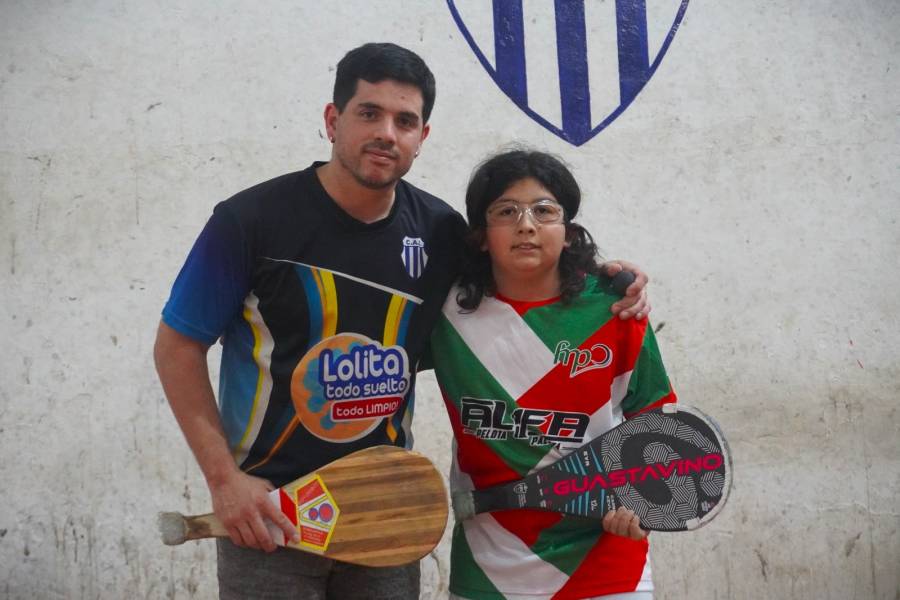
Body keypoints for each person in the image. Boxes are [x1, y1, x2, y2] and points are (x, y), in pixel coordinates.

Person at [154, 43, 650, 600]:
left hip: (388, 513)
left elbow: (519, 269)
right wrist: (225, 480)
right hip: (268, 513)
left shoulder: (441, 232)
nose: (386, 133)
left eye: (405, 121)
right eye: (369, 113)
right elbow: (177, 347)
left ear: (422, 136)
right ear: (333, 120)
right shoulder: (249, 222)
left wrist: (604, 275)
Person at [429, 149, 676, 600]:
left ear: (568, 234)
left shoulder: (616, 309)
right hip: (488, 567)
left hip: (607, 563)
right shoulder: (444, 313)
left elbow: (657, 421)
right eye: (506, 211)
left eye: (544, 211)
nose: (526, 225)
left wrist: (644, 498)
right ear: (481, 237)